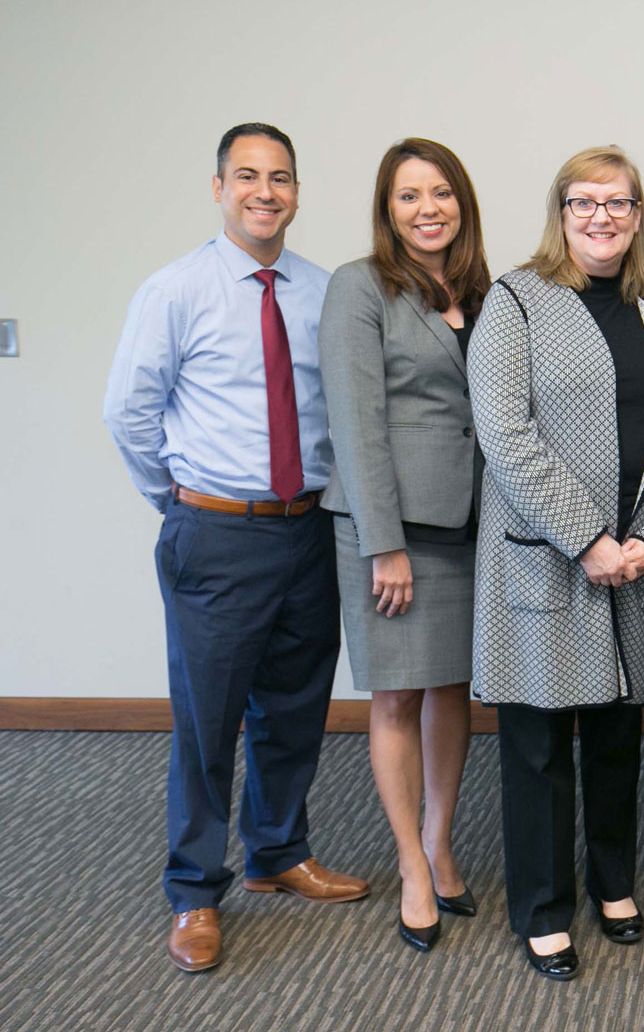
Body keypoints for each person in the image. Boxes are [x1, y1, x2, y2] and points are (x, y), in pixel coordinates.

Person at [104, 123, 369, 974]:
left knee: (293, 706)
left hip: (308, 528)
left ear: (297, 191)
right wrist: (185, 504)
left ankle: (277, 852)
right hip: (216, 530)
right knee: (207, 721)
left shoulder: (323, 290)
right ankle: (192, 891)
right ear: (217, 187)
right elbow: (129, 414)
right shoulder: (176, 290)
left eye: (281, 177)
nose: (266, 191)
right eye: (247, 176)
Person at [469, 146, 644, 981]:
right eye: (583, 202)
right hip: (545, 561)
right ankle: (542, 908)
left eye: (619, 203)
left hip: (632, 569)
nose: (601, 217)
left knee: (613, 736)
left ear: (639, 216)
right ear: (560, 213)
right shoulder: (517, 302)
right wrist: (588, 538)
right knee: (536, 748)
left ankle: (612, 883)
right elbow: (505, 438)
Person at [318, 138, 491, 952]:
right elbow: (355, 422)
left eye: (442, 192)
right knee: (395, 698)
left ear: (463, 201)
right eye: (409, 196)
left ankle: (441, 839)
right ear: (387, 210)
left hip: (467, 524)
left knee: (452, 692)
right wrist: (382, 543)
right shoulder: (361, 287)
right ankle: (410, 868)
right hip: (393, 532)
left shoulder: (485, 291)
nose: (429, 209)